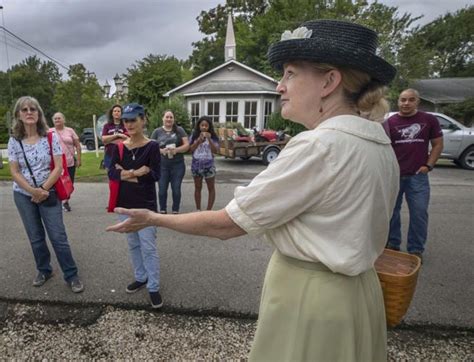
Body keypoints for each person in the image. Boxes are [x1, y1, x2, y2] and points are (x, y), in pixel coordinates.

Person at [107, 19, 399, 361]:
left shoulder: (320, 146)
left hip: (313, 299)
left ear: (329, 81)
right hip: (359, 295)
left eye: (290, 73)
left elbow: (226, 224)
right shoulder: (377, 143)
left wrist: (154, 218)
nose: (279, 86)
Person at [7, 96, 84, 293]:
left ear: (39, 113)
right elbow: (14, 172)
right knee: (35, 237)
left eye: (33, 108)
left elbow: (59, 167)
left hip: (49, 192)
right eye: (24, 109)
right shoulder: (14, 140)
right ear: (18, 115)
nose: (29, 112)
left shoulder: (50, 137)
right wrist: (32, 191)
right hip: (24, 195)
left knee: (58, 236)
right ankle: (44, 269)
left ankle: (71, 274)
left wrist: (42, 190)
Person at [108, 103, 162, 308]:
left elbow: (155, 175)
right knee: (133, 244)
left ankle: (154, 286)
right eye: (126, 120)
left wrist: (125, 174)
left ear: (143, 120)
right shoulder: (119, 147)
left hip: (145, 205)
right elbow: (112, 174)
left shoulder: (152, 146)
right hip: (124, 204)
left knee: (148, 247)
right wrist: (136, 172)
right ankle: (141, 277)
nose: (128, 124)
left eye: (133, 119)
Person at [385, 89, 443, 262]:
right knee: (391, 212)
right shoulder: (390, 122)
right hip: (394, 175)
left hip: (418, 176)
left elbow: (438, 144)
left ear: (417, 102)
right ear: (398, 101)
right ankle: (393, 244)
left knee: (419, 213)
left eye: (411, 100)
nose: (406, 103)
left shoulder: (429, 120)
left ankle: (416, 249)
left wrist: (428, 165)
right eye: (403, 100)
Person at [150, 110, 189, 214]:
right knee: (162, 189)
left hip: (177, 165)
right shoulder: (157, 132)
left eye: (171, 117)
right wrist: (161, 151)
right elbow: (151, 148)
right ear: (163, 118)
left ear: (174, 119)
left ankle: (175, 210)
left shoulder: (179, 130)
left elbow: (187, 145)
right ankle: (162, 209)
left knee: (176, 189)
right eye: (167, 117)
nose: (169, 119)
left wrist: (176, 150)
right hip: (162, 165)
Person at [52, 112, 81, 212]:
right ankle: (62, 202)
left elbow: (77, 145)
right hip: (56, 163)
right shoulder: (50, 131)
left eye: (59, 118)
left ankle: (66, 199)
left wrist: (79, 159)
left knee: (69, 183)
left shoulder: (70, 131)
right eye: (55, 119)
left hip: (69, 161)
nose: (57, 120)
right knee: (56, 182)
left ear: (63, 120)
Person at [188, 116, 220, 211]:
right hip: (196, 165)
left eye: (206, 125)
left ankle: (208, 210)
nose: (204, 127)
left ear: (209, 127)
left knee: (211, 188)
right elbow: (190, 150)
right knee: (197, 187)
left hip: (209, 165)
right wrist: (198, 141)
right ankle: (198, 209)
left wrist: (209, 140)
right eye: (202, 125)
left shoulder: (213, 137)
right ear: (199, 126)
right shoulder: (194, 136)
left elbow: (215, 151)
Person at [102, 104, 129, 170]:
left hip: (123, 155)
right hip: (109, 155)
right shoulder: (107, 126)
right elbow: (104, 139)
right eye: (115, 111)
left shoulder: (125, 125)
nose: (116, 113)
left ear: (122, 113)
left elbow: (128, 139)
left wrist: (110, 140)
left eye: (118, 111)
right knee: (111, 175)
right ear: (112, 113)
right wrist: (118, 135)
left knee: (122, 175)